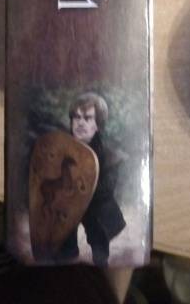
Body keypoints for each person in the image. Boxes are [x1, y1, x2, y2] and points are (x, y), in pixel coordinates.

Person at [57, 92, 126, 267]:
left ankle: (100, 259)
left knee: (98, 233)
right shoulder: (59, 149)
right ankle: (67, 256)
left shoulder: (110, 156)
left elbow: (106, 190)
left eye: (87, 118)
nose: (80, 123)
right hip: (68, 205)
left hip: (95, 206)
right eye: (77, 117)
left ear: (98, 125)